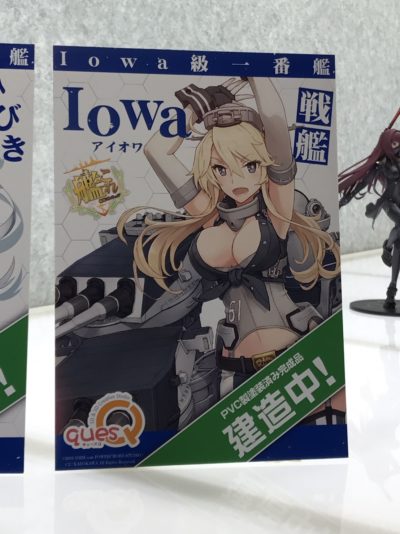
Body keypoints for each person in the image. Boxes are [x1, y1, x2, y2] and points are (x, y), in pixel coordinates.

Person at [118, 77, 343, 421]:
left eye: (249, 166)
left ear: (263, 164)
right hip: (232, 373)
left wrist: (257, 75)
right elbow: (156, 152)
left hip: (293, 361)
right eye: (221, 169)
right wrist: (197, 107)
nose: (236, 180)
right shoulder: (209, 216)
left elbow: (278, 133)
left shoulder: (276, 214)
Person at [339, 116, 400, 309]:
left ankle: (391, 289)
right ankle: (387, 247)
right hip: (389, 204)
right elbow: (360, 183)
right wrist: (344, 199)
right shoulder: (380, 169)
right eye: (395, 146)